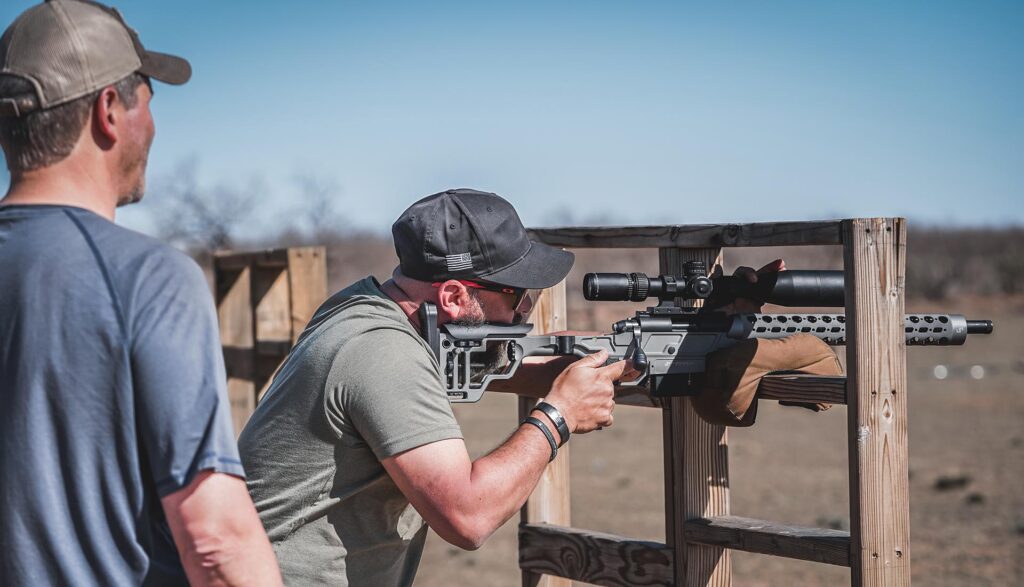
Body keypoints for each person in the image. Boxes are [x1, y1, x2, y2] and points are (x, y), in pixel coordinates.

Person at [0, 1, 281, 585]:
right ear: (109, 110)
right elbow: (215, 537)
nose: (152, 126)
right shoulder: (146, 279)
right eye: (148, 102)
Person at [238, 188, 628, 586]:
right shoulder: (384, 352)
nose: (525, 309)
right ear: (454, 296)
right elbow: (468, 517)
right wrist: (558, 415)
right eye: (518, 295)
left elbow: (520, 359)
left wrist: (625, 353)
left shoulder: (367, 309)